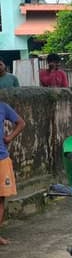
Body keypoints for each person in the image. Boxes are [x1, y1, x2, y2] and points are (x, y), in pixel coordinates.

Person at [0, 101, 25, 245]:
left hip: (1, 159)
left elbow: (21, 123)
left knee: (1, 199)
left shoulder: (3, 107)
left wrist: (9, 137)